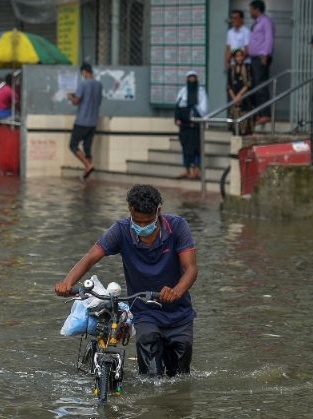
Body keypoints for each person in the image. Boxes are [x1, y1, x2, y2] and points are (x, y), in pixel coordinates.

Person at [55, 184, 198, 378]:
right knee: (150, 374)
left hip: (179, 313)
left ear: (159, 212)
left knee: (180, 375)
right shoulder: (120, 231)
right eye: (137, 221)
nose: (141, 227)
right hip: (145, 311)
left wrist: (177, 291)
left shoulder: (178, 227)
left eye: (147, 222)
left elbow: (191, 269)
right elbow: (90, 258)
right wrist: (67, 283)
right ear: (130, 211)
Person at [67, 63, 103, 180]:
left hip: (82, 121)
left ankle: (88, 165)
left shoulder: (83, 84)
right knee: (87, 147)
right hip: (93, 121)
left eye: (82, 73)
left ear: (84, 72)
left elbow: (76, 101)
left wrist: (70, 97)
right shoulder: (99, 85)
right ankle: (87, 174)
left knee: (73, 145)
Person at [174, 71, 208, 179]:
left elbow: (204, 108)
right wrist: (177, 118)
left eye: (194, 78)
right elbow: (178, 105)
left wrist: (197, 118)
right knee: (185, 148)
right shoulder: (183, 92)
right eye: (190, 78)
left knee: (196, 148)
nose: (192, 80)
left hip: (195, 126)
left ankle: (196, 170)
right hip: (184, 126)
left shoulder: (201, 92)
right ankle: (187, 170)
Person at [247, 1, 274, 125]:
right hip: (253, 59)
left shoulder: (265, 22)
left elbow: (269, 38)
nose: (250, 12)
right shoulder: (256, 23)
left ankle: (265, 114)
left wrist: (265, 54)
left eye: (251, 9)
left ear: (257, 9)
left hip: (260, 58)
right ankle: (259, 113)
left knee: (261, 86)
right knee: (255, 86)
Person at [227, 48, 253, 136]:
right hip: (234, 99)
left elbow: (248, 83)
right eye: (237, 56)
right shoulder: (231, 69)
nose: (239, 58)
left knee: (244, 126)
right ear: (234, 58)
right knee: (234, 127)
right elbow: (228, 86)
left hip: (244, 98)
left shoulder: (247, 67)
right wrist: (234, 98)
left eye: (241, 56)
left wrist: (239, 95)